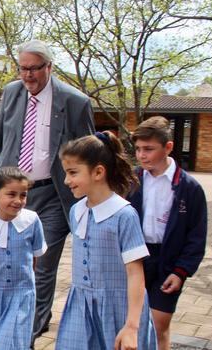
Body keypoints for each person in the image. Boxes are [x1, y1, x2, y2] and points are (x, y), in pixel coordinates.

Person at [0, 39, 95, 342]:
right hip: (15, 194)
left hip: (53, 196)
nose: (27, 76)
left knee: (40, 265)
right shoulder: (11, 93)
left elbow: (89, 153)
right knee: (13, 263)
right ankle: (36, 317)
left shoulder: (75, 102)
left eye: (34, 69)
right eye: (22, 69)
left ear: (49, 67)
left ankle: (26, 336)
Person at [56, 131, 157, 350]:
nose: (66, 180)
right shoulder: (76, 212)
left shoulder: (124, 215)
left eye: (73, 173)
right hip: (80, 307)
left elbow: (135, 273)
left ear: (98, 172)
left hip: (118, 309)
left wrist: (131, 326)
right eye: (66, 173)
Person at [127, 116, 207, 350]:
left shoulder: (189, 187)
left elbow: (197, 235)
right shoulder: (131, 180)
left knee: (157, 324)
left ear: (168, 147)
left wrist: (181, 271)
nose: (142, 155)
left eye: (149, 149)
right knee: (132, 322)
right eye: (139, 149)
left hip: (168, 262)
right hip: (136, 260)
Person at [0, 166, 47, 349]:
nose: (18, 200)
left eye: (23, 195)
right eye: (11, 194)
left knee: (9, 342)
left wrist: (27, 280)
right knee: (1, 339)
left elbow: (35, 254)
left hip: (22, 292)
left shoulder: (32, 220)